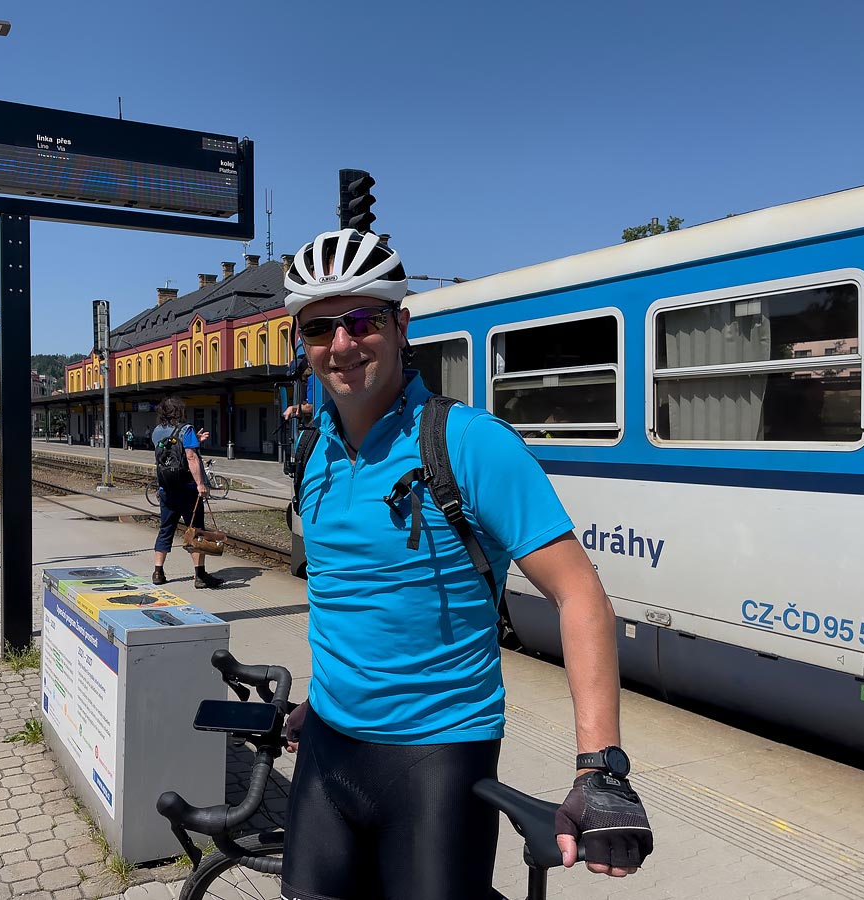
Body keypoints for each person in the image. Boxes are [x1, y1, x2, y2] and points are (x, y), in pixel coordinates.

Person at [279, 228, 653, 900]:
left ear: (399, 325)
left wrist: (600, 769)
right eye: (319, 329)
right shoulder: (313, 452)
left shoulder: (470, 444)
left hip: (437, 754)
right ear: (302, 344)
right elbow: (349, 597)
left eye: (361, 320)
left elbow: (580, 597)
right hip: (330, 748)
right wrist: (329, 695)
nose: (341, 344)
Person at [150, 397, 224, 589]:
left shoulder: (157, 432)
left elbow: (168, 452)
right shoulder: (186, 429)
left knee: (165, 529)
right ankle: (200, 575)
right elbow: (190, 457)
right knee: (196, 529)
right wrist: (200, 484)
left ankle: (158, 572)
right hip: (188, 489)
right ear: (179, 412)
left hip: (166, 488)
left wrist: (195, 440)